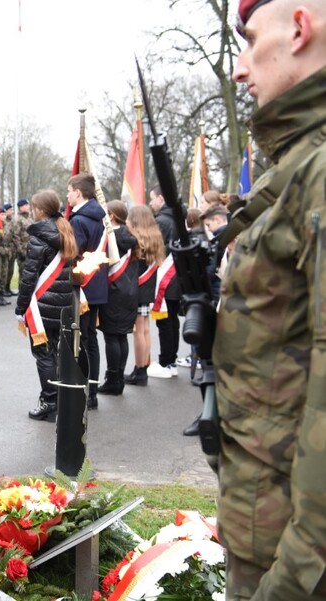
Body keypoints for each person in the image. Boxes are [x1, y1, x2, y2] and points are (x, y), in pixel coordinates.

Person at [214, 2, 326, 598]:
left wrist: (295, 573)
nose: (239, 67)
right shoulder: (298, 164)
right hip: (266, 525)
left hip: (293, 560)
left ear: (300, 28)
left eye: (251, 39)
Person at [14, 191, 77, 421]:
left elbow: (29, 276)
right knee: (56, 353)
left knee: (43, 354)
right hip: (62, 303)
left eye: (34, 206)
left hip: (41, 305)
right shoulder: (65, 230)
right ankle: (59, 398)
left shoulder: (40, 236)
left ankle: (49, 402)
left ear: (40, 209)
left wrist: (21, 308)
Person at [66, 173, 108, 409]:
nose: (68, 196)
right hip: (98, 284)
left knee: (80, 340)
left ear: (78, 192)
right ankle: (92, 390)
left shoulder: (79, 220)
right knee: (90, 338)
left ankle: (83, 390)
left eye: (69, 191)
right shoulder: (100, 217)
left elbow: (73, 253)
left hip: (82, 286)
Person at [96, 201, 138, 396]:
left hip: (114, 291)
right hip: (129, 291)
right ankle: (118, 377)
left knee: (112, 336)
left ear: (111, 216)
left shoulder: (112, 237)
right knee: (121, 336)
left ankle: (113, 379)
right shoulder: (129, 235)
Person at [124, 205, 165, 387]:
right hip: (148, 288)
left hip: (138, 287)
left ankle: (140, 370)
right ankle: (143, 368)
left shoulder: (136, 239)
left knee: (138, 331)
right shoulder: (155, 236)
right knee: (145, 329)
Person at [146, 186, 181, 379]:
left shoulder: (162, 221)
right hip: (177, 276)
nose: (151, 202)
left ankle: (166, 361)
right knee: (172, 321)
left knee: (165, 322)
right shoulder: (178, 218)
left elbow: (154, 249)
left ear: (161, 198)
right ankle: (171, 360)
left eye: (152, 198)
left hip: (165, 278)